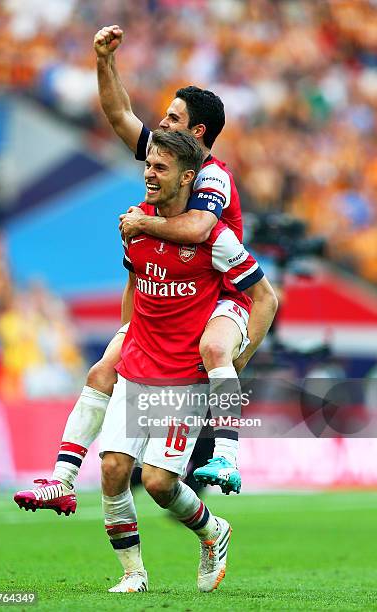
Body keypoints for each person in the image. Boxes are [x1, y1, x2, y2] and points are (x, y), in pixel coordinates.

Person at [13, 24, 270, 516]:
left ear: (196, 133)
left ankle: (227, 457)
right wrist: (105, 62)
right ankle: (62, 481)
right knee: (103, 367)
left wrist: (141, 222)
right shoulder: (168, 157)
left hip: (218, 293)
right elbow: (117, 113)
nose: (160, 124)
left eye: (172, 117)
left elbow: (198, 230)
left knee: (214, 350)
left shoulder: (210, 175)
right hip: (173, 296)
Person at [97, 130, 277, 592]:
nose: (149, 174)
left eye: (160, 168)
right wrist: (124, 338)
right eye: (148, 166)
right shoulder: (132, 225)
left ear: (187, 178)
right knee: (114, 469)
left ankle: (213, 530)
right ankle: (133, 574)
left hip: (183, 376)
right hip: (140, 365)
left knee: (158, 483)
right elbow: (134, 287)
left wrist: (240, 357)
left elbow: (264, 296)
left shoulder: (214, 238)